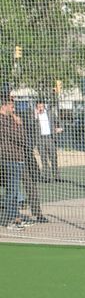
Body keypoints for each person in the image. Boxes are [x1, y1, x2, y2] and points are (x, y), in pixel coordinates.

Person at [0, 96, 25, 227]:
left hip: (16, 159)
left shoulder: (9, 119)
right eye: (11, 106)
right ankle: (9, 219)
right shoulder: (3, 120)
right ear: (4, 106)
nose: (13, 109)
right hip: (10, 159)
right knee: (12, 190)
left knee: (15, 191)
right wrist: (19, 125)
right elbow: (19, 138)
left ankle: (15, 217)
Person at [33, 101, 59, 182]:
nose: (40, 108)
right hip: (40, 139)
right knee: (43, 159)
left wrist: (59, 128)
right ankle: (47, 177)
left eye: (42, 106)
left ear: (44, 106)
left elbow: (57, 121)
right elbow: (31, 124)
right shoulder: (33, 115)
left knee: (53, 158)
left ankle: (56, 176)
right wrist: (35, 115)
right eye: (39, 107)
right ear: (36, 107)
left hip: (50, 138)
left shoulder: (50, 113)